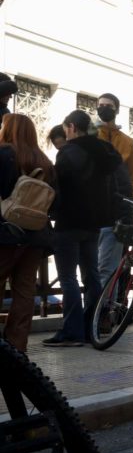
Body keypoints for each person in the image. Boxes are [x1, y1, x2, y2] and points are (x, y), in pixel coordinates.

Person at [45, 110, 123, 347]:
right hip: (94, 223)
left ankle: (72, 332)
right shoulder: (102, 150)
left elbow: (59, 186)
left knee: (68, 277)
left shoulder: (69, 152)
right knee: (92, 276)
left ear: (71, 127)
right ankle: (91, 328)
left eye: (66, 129)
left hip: (69, 221)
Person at [0, 114, 56, 352]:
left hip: (5, 234)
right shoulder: (44, 161)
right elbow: (54, 202)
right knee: (25, 293)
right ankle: (16, 349)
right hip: (35, 237)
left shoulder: (3, 154)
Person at [95, 92, 133, 288]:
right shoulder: (91, 134)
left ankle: (116, 301)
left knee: (119, 261)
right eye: (101, 105)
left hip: (120, 207)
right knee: (94, 263)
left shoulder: (127, 141)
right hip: (96, 204)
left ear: (117, 110)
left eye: (109, 106)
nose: (104, 108)